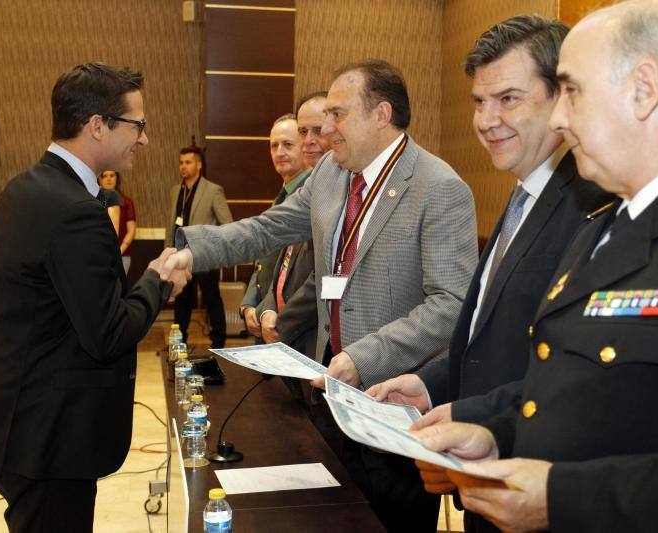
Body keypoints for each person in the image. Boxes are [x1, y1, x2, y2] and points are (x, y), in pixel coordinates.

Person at [414, 1, 658, 531]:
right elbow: (578, 390)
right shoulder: (604, 225)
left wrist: (563, 496)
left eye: (571, 90)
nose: (557, 117)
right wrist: (497, 434)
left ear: (643, 89)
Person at [163, 59, 478, 532]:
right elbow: (270, 228)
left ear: (381, 114)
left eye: (338, 114)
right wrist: (193, 249)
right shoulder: (331, 176)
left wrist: (363, 356)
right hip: (329, 394)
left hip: (391, 405)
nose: (326, 129)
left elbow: (452, 304)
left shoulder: (439, 188)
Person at [365, 15, 609, 532]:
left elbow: (569, 368)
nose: (486, 119)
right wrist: (430, 384)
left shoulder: (589, 207)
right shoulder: (523, 194)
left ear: (560, 99)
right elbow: (491, 336)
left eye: (509, 99)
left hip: (535, 486)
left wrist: (481, 420)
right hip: (487, 481)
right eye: (480, 101)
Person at [0, 62, 187, 533]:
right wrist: (157, 280)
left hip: (12, 422)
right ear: (97, 125)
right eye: (136, 125)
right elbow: (108, 333)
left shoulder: (22, 190)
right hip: (48, 440)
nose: (143, 139)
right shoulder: (75, 212)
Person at [260, 92, 330, 356]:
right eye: (303, 132)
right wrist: (266, 307)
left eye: (318, 130)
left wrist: (282, 323)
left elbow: (325, 276)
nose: (309, 141)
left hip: (311, 338)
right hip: (287, 337)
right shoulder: (300, 193)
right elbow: (278, 263)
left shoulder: (335, 189)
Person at [241, 112, 311, 344]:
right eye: (274, 146)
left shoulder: (309, 198)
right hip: (266, 319)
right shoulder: (283, 195)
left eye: (288, 144)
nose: (279, 152)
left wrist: (264, 310)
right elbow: (265, 259)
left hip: (292, 326)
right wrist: (249, 304)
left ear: (306, 147)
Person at [165, 145, 232, 347]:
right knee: (182, 300)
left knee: (211, 299)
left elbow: (227, 224)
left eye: (188, 162)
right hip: (180, 255)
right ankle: (180, 342)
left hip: (204, 256)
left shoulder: (213, 190)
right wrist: (168, 250)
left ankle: (219, 342)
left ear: (199, 165)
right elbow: (171, 223)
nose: (183, 167)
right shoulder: (176, 190)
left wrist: (211, 246)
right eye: (181, 163)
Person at [99, 170, 137, 273]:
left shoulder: (127, 202)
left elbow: (131, 231)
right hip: (99, 257)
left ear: (117, 178)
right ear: (99, 180)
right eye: (104, 176)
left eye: (112, 175)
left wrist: (118, 252)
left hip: (122, 256)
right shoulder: (93, 202)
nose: (108, 178)